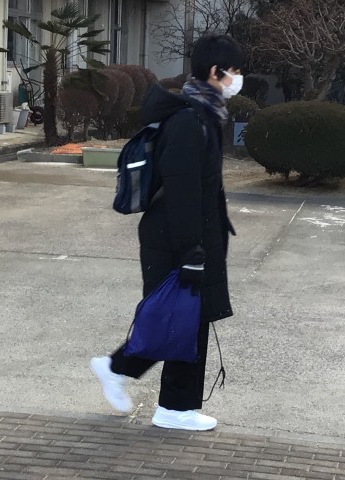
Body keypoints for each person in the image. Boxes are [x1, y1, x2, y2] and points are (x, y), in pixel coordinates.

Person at [91, 33, 243, 431]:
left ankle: (151, 391)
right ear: (216, 72)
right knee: (179, 319)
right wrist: (192, 250)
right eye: (234, 71)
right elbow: (182, 191)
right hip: (176, 238)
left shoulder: (204, 114)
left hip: (189, 236)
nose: (237, 79)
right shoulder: (189, 121)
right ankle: (166, 403)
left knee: (186, 319)